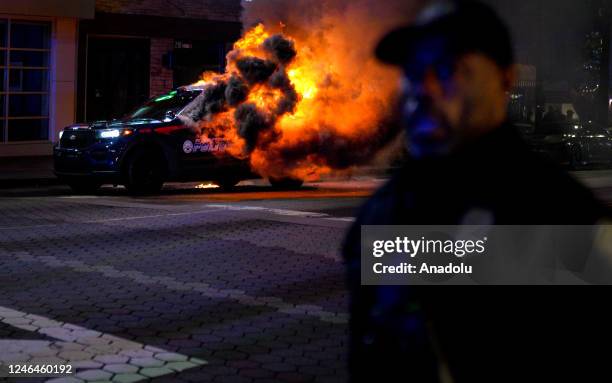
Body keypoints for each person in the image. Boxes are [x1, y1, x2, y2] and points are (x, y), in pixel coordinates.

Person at [343, 1, 612, 382]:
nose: (424, 88)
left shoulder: (568, 217)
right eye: (414, 70)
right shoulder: (381, 214)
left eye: (450, 68)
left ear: (506, 79)